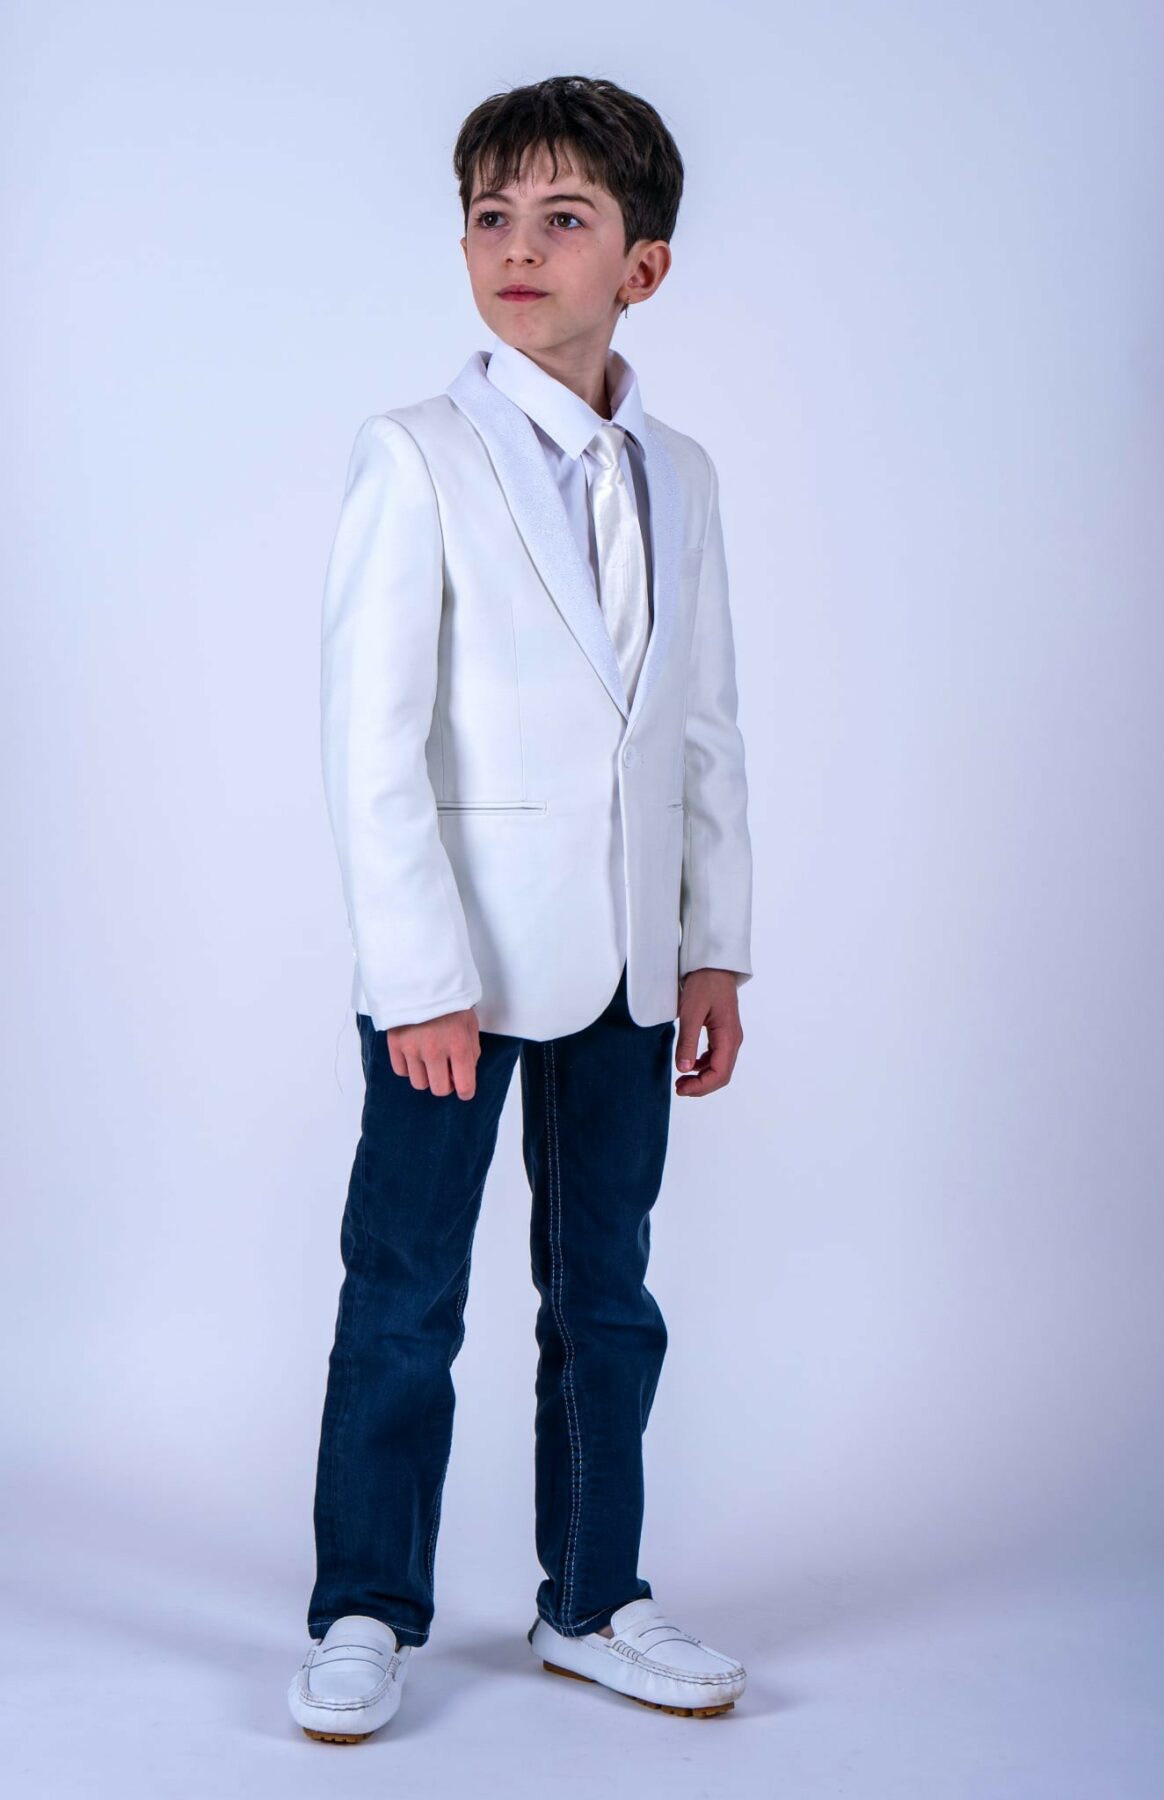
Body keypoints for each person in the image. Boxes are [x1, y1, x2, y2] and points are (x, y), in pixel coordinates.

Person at [287, 73, 754, 1742]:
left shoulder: (682, 473)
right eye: (491, 216)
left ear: (645, 265)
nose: (518, 248)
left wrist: (712, 945)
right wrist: (418, 971)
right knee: (405, 1294)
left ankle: (594, 1598)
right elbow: (371, 743)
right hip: (455, 973)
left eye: (564, 218)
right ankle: (364, 1606)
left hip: (629, 962)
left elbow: (701, 727)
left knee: (607, 1294)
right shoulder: (416, 456)